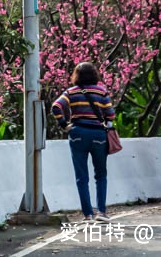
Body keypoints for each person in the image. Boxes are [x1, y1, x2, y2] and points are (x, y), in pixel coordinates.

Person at [52, 62, 117, 223]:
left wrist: (64, 124)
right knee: (101, 174)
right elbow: (110, 115)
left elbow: (56, 106)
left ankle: (87, 214)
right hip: (97, 135)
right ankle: (101, 212)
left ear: (76, 75)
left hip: (77, 134)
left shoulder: (71, 92)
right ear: (94, 74)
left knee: (82, 177)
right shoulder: (101, 92)